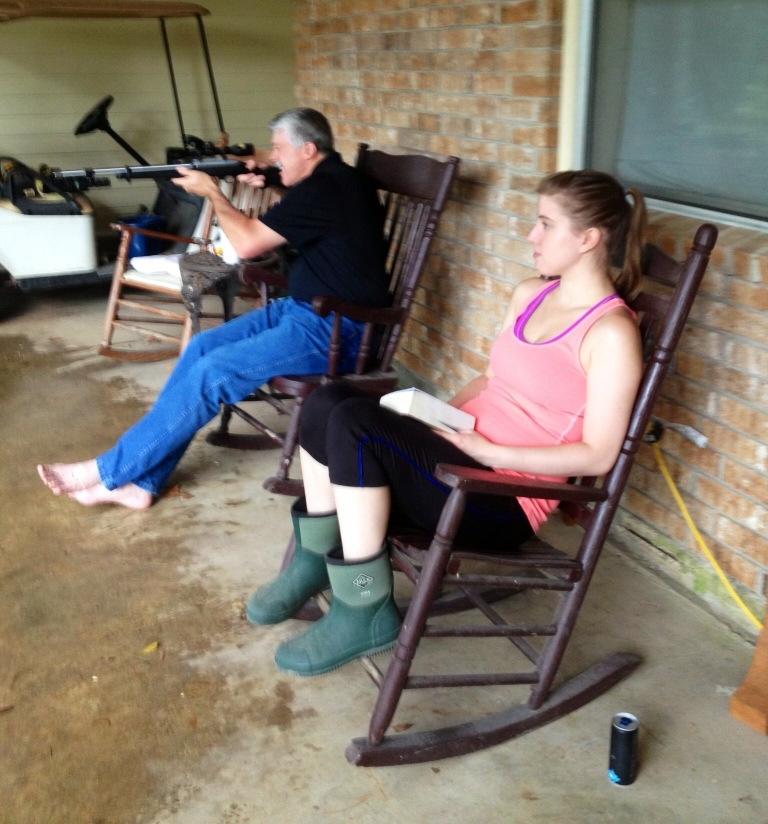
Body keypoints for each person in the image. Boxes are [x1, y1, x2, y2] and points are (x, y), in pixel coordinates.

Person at [246, 169, 648, 677]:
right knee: (328, 399)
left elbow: (599, 455)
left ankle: (364, 606)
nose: (531, 235)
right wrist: (429, 417)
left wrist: (491, 453)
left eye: (546, 224)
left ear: (588, 239)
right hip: (458, 459)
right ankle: (315, 558)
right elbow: (490, 379)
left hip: (500, 498)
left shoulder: (610, 333)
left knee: (354, 422)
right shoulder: (531, 294)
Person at [37, 108, 391, 510]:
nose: (273, 156)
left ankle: (107, 471)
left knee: (213, 371)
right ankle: (143, 484)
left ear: (308, 150)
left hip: (338, 327)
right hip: (304, 309)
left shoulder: (325, 190)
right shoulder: (334, 181)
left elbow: (247, 244)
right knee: (201, 348)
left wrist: (214, 193)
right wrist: (273, 180)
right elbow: (312, 220)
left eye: (278, 149)